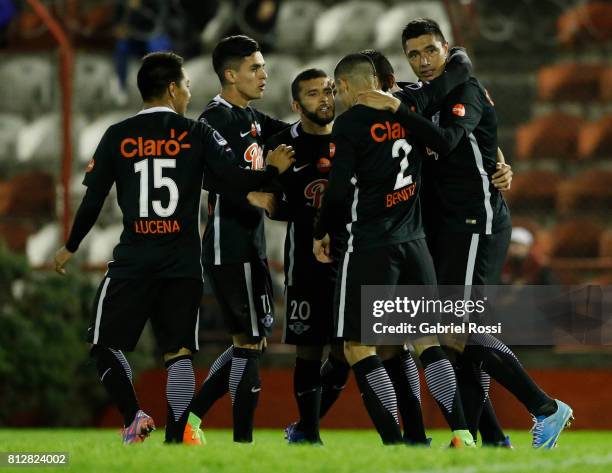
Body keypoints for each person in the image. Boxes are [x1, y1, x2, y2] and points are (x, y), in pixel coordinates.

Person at [53, 51, 295, 445]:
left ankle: (134, 417)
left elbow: (93, 200)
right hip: (183, 262)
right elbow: (234, 180)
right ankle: (176, 436)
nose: (189, 90)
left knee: (102, 345)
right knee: (179, 355)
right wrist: (272, 172)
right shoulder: (197, 134)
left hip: (133, 259)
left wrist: (70, 246)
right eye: (185, 84)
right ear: (170, 88)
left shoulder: (117, 134)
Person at [396, 18, 572, 449]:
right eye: (414, 54)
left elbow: (453, 139)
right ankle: (488, 438)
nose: (422, 61)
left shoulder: (465, 88)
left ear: (446, 48)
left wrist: (397, 108)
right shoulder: (423, 96)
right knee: (455, 336)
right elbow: (478, 141)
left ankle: (545, 407)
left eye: (430, 51)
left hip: (476, 220)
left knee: (460, 329)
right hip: (447, 225)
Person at [313, 52, 480, 446]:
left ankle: (394, 442)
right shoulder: (407, 110)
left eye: (337, 89)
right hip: (415, 241)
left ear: (347, 86)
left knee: (358, 346)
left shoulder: (350, 122)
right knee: (425, 341)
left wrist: (323, 231)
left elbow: (338, 191)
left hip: (371, 244)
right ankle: (460, 432)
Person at [185, 35, 291, 444]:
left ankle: (190, 421)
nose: (264, 74)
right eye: (254, 68)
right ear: (230, 75)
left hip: (249, 244)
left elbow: (288, 134)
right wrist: (270, 174)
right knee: (248, 344)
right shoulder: (215, 120)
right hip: (229, 246)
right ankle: (242, 444)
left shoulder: (249, 117)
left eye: (263, 66)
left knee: (251, 341)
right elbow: (221, 176)